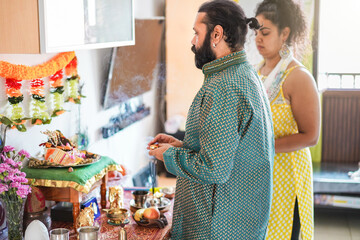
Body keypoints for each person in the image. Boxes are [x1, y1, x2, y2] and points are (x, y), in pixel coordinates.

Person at [148, 0, 274, 239]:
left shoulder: (224, 86)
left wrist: (168, 155)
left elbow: (213, 169)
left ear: (216, 34)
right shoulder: (244, 74)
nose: (193, 41)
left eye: (197, 33)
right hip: (237, 223)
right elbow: (227, 152)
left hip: (216, 228)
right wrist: (182, 146)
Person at [254, 0, 320, 239]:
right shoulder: (256, 73)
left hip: (287, 177)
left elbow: (311, 136)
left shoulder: (298, 77)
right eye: (256, 31)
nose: (258, 38)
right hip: (262, 174)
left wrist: (263, 148)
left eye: (265, 32)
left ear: (284, 33)